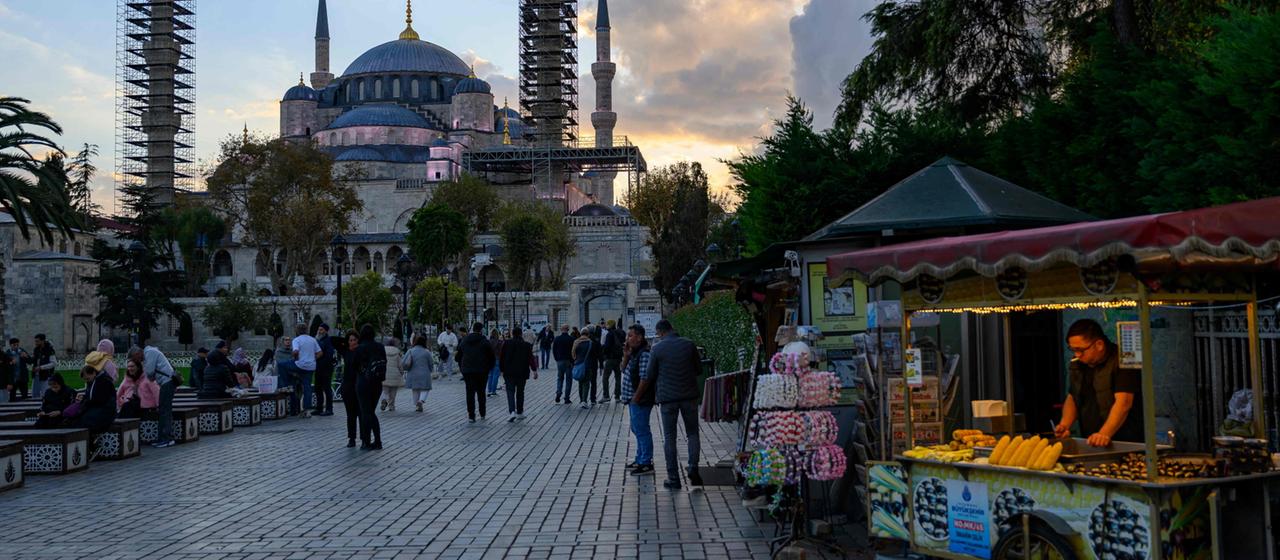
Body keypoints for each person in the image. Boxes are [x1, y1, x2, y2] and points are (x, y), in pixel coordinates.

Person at [634, 319, 703, 489]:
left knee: (670, 437)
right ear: (672, 329)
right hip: (689, 396)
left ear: (660, 332)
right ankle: (693, 467)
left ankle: (674, 478)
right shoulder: (689, 344)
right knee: (693, 433)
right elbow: (699, 369)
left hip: (667, 399)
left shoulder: (657, 349)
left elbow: (649, 374)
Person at [1054, 319, 1144, 446]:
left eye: (1080, 350)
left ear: (1099, 344)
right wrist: (1065, 425)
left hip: (1125, 442)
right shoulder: (1077, 363)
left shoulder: (1124, 359)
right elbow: (1073, 396)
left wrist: (1104, 434)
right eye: (1073, 349)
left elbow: (1124, 402)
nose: (1077, 354)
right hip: (1090, 440)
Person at [622, 324, 655, 475]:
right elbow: (622, 369)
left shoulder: (644, 354)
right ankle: (640, 458)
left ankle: (646, 462)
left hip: (640, 399)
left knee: (641, 429)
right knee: (637, 428)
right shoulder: (634, 353)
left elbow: (645, 378)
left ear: (639, 337)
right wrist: (626, 355)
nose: (628, 339)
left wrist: (636, 397)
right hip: (632, 398)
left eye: (630, 336)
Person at [136, 340, 178, 448]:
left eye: (136, 358)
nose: (138, 361)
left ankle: (167, 438)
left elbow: (149, 373)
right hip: (167, 382)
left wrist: (149, 373)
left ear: (137, 353)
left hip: (167, 383)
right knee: (164, 410)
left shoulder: (149, 353)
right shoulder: (151, 352)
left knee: (165, 411)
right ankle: (163, 438)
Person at [353, 324, 386, 450]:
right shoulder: (380, 347)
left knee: (366, 412)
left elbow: (354, 365)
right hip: (377, 382)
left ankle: (366, 441)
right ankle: (377, 440)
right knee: (371, 411)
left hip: (363, 382)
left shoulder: (360, 348)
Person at [456, 322, 496, 423]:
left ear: (473, 329)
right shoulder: (484, 341)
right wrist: (488, 368)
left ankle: (471, 416)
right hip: (482, 371)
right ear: (481, 330)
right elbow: (492, 357)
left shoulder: (464, 341)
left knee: (470, 393)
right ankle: (482, 413)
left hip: (468, 371)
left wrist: (462, 368)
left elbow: (458, 357)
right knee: (481, 392)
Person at [500, 326, 537, 422]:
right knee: (520, 392)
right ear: (521, 334)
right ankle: (520, 412)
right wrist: (534, 370)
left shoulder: (507, 343)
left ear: (512, 334)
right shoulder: (526, 345)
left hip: (509, 372)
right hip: (522, 372)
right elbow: (531, 358)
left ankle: (512, 411)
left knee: (510, 391)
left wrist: (502, 369)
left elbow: (502, 357)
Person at [284, 324, 321, 416]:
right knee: (307, 387)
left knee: (282, 365)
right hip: (310, 366)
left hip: (300, 365)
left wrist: (295, 358)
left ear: (297, 331)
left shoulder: (297, 340)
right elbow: (320, 353)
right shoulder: (313, 339)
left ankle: (284, 383)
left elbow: (296, 351)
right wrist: (313, 358)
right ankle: (306, 409)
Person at [74, 365, 117, 435]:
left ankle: (89, 440)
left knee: (85, 421)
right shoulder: (92, 382)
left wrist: (85, 403)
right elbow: (91, 397)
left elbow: (99, 399)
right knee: (78, 419)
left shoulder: (104, 382)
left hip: (106, 410)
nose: (86, 381)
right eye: (85, 379)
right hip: (98, 408)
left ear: (94, 373)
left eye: (87, 379)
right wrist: (83, 399)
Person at [338, 332, 362, 447]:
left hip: (359, 385)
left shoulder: (361, 351)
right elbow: (334, 341)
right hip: (348, 386)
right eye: (350, 340)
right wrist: (345, 338)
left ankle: (364, 437)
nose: (352, 342)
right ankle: (351, 438)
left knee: (361, 413)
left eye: (354, 340)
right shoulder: (346, 352)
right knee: (351, 414)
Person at [402, 335, 434, 412]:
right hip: (424, 373)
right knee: (426, 388)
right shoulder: (427, 352)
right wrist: (430, 370)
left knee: (415, 389)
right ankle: (421, 401)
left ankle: (416, 405)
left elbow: (403, 363)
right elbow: (431, 363)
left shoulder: (410, 351)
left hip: (413, 373)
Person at [572, 326, 598, 409]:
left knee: (580, 383)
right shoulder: (590, 342)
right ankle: (584, 401)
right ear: (588, 334)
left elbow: (573, 354)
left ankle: (581, 400)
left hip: (578, 364)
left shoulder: (576, 342)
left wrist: (576, 360)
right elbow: (594, 355)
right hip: (588, 365)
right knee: (586, 383)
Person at [314, 323, 336, 416]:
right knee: (317, 388)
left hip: (326, 368)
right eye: (319, 329)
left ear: (326, 331)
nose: (319, 331)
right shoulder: (317, 340)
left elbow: (329, 355)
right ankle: (319, 408)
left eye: (321, 329)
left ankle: (329, 409)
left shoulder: (328, 340)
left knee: (327, 388)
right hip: (318, 367)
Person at [599, 320, 624, 403]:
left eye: (607, 324)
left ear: (609, 325)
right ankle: (617, 396)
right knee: (618, 377)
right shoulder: (620, 333)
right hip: (618, 359)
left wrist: (604, 355)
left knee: (605, 377)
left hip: (610, 359)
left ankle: (606, 396)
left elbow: (606, 347)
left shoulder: (609, 334)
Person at [552, 325, 575, 404]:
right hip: (568, 361)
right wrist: (573, 361)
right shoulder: (571, 339)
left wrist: (556, 359)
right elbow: (573, 351)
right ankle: (566, 398)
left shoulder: (557, 339)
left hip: (560, 361)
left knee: (560, 378)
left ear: (561, 329)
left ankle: (559, 392)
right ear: (568, 330)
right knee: (569, 380)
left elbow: (554, 350)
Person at [381, 337, 404, 412]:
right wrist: (402, 372)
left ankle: (384, 400)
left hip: (384, 374)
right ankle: (391, 406)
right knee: (393, 392)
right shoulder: (397, 353)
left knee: (385, 390)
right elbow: (400, 365)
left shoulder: (383, 351)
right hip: (395, 375)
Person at [30, 333, 56, 401]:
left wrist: (41, 367)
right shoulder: (36, 349)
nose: (36, 343)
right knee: (34, 394)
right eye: (35, 341)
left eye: (37, 341)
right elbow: (34, 360)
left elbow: (53, 363)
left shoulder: (49, 350)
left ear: (42, 341)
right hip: (36, 375)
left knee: (45, 394)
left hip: (45, 375)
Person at [486, 328, 504, 397]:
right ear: (497, 334)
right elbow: (501, 352)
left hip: (489, 360)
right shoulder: (500, 342)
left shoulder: (488, 342)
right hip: (497, 359)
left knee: (490, 375)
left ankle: (489, 390)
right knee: (495, 376)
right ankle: (493, 391)